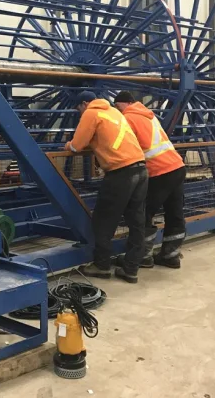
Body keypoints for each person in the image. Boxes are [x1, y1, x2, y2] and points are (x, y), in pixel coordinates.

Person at [64, 91, 148, 284]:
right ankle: (131, 268)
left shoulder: (91, 113)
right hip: (141, 169)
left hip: (120, 172)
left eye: (78, 108)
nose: (79, 112)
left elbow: (77, 145)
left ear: (85, 103)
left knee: (103, 220)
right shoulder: (114, 112)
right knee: (136, 220)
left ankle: (102, 266)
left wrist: (68, 145)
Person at [114, 91, 186, 269]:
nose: (117, 111)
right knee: (174, 212)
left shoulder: (128, 118)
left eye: (117, 107)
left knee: (143, 213)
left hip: (159, 171)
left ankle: (142, 256)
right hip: (177, 166)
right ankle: (170, 255)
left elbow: (122, 144)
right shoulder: (148, 115)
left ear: (124, 104)